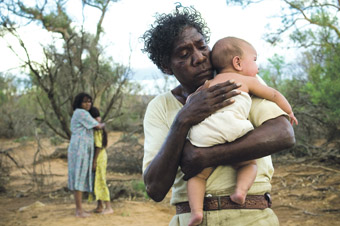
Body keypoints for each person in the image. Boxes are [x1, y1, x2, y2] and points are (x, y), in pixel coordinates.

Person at [141, 5, 295, 226]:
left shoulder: (238, 82)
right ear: (166, 67)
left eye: (202, 47)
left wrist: (207, 156)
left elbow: (283, 134)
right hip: (191, 219)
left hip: (251, 217)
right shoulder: (161, 107)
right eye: (184, 55)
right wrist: (183, 119)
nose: (199, 58)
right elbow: (154, 188)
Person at [185, 36, 298, 225]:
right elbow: (273, 94)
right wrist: (289, 111)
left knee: (197, 176)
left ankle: (196, 212)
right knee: (249, 164)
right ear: (237, 62)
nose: (257, 66)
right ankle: (240, 192)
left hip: (205, 133)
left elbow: (191, 101)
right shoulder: (247, 80)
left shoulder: (207, 85)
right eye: (254, 60)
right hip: (234, 128)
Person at [68, 93, 105, 218]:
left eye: (89, 101)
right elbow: (98, 126)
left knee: (79, 176)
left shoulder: (82, 114)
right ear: (79, 103)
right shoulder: (80, 113)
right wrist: (100, 121)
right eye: (85, 102)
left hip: (81, 149)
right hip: (80, 149)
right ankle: (79, 211)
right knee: (78, 176)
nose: (87, 104)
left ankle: (80, 209)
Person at [88, 106, 114, 215]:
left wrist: (94, 161)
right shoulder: (98, 127)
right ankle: (99, 205)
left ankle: (108, 207)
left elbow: (98, 146)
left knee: (101, 180)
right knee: (96, 180)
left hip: (99, 157)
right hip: (99, 156)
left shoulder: (97, 129)